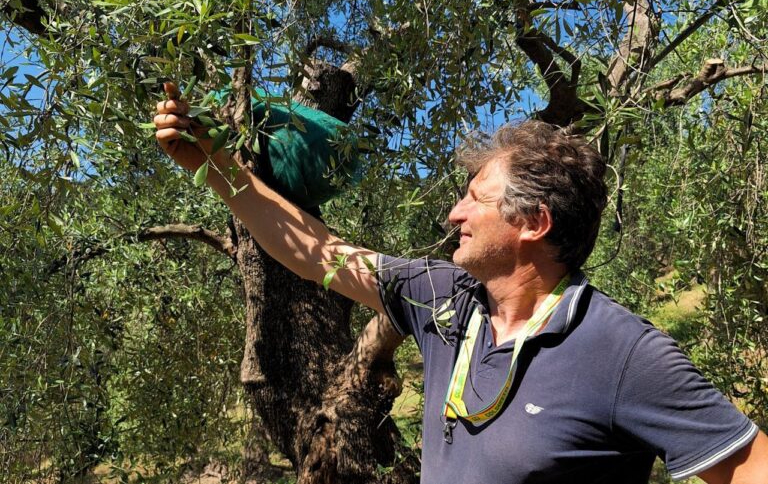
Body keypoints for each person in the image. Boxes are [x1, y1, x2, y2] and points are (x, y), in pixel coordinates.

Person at [154, 84, 768, 483]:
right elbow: (317, 252)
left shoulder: (622, 352)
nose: (453, 214)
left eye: (475, 199)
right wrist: (214, 165)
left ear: (533, 223)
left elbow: (750, 467)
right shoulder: (445, 298)